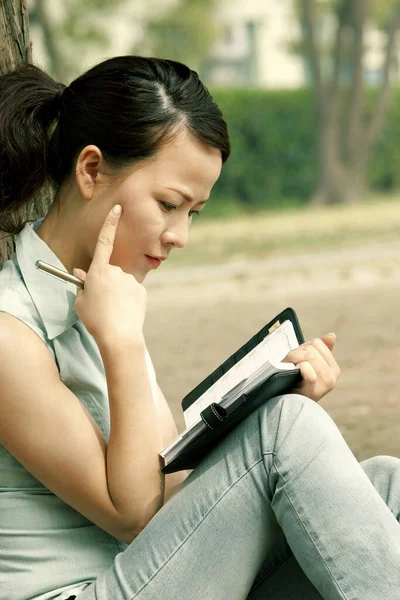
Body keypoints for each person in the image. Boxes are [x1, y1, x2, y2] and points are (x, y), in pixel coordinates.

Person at [0, 56, 399, 600]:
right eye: (168, 205)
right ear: (91, 171)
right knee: (284, 432)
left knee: (387, 485)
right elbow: (137, 515)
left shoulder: (105, 297)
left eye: (195, 212)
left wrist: (263, 400)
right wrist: (121, 343)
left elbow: (175, 492)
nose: (179, 235)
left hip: (150, 575)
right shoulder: (9, 332)